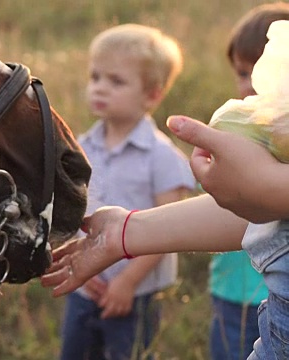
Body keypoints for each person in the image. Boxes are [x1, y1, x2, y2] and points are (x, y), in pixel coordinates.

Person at [41, 86, 289, 360]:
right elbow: (272, 213)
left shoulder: (160, 155)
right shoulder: (87, 141)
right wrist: (124, 232)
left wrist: (263, 182)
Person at [59, 23, 195, 360]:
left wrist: (128, 283)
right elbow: (78, 212)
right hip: (85, 288)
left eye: (116, 81)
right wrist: (81, 267)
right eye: (95, 77)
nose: (100, 88)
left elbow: (170, 230)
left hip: (135, 293)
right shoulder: (80, 146)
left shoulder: (161, 157)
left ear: (152, 94)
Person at [207, 4, 289, 359]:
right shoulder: (241, 133)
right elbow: (223, 206)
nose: (253, 86)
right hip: (233, 294)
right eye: (243, 73)